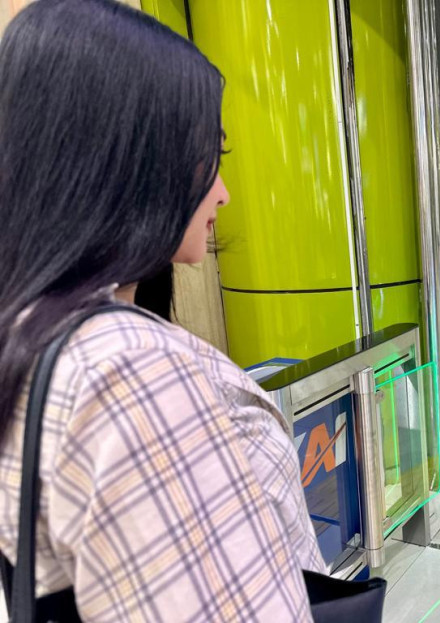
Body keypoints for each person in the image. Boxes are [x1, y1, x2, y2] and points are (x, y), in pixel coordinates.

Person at [0, 1, 324, 620]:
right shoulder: (130, 373)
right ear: (133, 156)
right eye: (212, 154)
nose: (222, 191)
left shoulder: (30, 334)